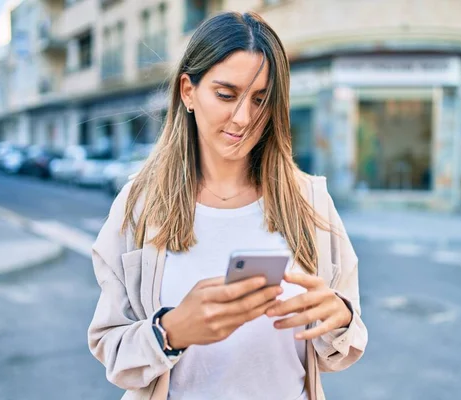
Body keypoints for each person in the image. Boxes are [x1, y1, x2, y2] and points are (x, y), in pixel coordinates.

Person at [88, 11, 367, 400]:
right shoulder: (140, 204)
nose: (244, 118)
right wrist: (170, 332)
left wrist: (340, 318)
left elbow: (342, 348)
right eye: (226, 94)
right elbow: (111, 349)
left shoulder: (310, 200)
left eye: (260, 100)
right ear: (188, 91)